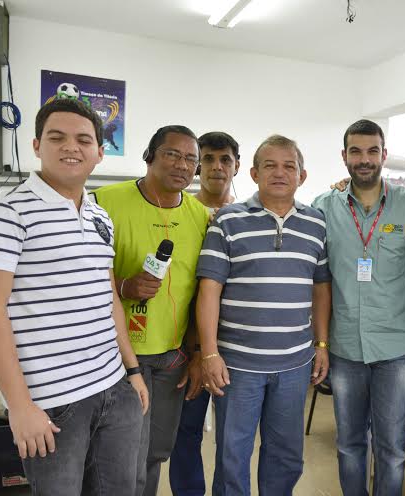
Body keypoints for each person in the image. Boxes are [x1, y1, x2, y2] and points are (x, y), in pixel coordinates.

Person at [0, 98, 148, 496]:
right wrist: (19, 406)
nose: (71, 147)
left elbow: (108, 297)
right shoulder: (3, 213)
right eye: (57, 137)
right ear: (36, 146)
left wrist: (132, 371)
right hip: (51, 402)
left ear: (99, 152)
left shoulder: (99, 216)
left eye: (83, 139)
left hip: (113, 387)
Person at [196, 135, 331, 495]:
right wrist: (209, 353)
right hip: (237, 365)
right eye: (270, 165)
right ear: (254, 173)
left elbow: (321, 289)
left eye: (289, 166)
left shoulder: (316, 223)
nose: (279, 173)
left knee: (286, 455)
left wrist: (321, 344)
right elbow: (209, 291)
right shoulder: (228, 220)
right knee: (232, 455)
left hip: (294, 364)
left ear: (302, 176)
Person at [92, 126, 209, 496]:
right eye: (172, 154)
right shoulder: (103, 202)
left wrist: (195, 353)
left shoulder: (200, 216)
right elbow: (83, 274)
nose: (182, 165)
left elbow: (200, 292)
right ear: (150, 156)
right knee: (121, 457)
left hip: (172, 357)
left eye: (191, 159)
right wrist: (125, 287)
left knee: (156, 452)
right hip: (117, 354)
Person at [312, 119, 405, 495]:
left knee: (391, 449)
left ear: (384, 155)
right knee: (349, 444)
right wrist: (319, 342)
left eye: (372, 151)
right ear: (344, 156)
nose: (364, 159)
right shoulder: (323, 207)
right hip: (345, 349)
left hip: (396, 349)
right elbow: (314, 277)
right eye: (356, 151)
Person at [169, 131, 241, 496]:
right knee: (186, 431)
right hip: (189, 345)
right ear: (198, 166)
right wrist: (197, 350)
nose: (216, 167)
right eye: (208, 159)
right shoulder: (182, 214)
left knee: (233, 437)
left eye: (225, 159)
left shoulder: (246, 217)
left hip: (238, 346)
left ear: (237, 166)